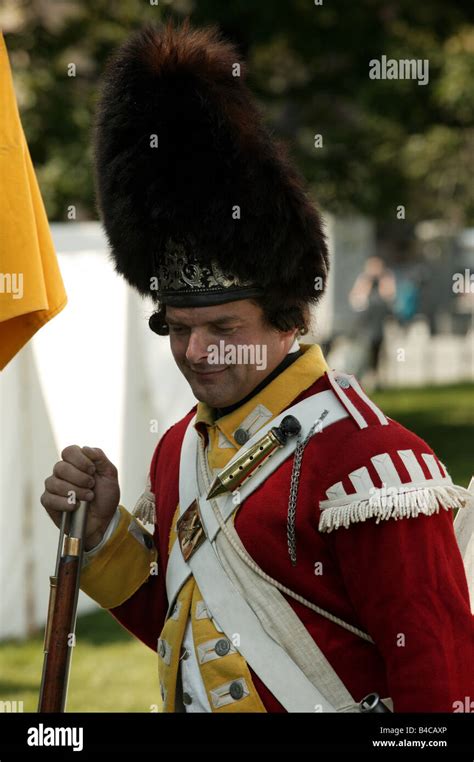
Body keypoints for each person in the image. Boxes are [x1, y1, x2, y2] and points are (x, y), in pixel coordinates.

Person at [41, 20, 473, 713]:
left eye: (223, 328)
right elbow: (188, 625)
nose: (196, 353)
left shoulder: (373, 463)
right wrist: (99, 534)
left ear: (289, 319)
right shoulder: (180, 449)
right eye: (178, 329)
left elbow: (439, 681)